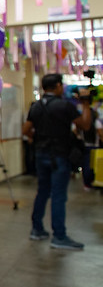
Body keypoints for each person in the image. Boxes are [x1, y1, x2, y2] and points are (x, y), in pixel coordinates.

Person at [22, 73, 91, 250]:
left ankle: (37, 229)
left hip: (41, 154)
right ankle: (59, 236)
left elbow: (26, 130)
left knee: (43, 192)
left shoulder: (36, 106)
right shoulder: (65, 105)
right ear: (59, 86)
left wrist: (37, 139)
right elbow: (85, 125)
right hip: (59, 155)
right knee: (59, 195)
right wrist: (85, 103)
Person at [78, 104, 103, 189]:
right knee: (94, 165)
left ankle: (87, 183)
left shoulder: (82, 123)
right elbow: (100, 134)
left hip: (85, 145)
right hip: (95, 146)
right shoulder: (97, 122)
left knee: (86, 164)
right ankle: (92, 181)